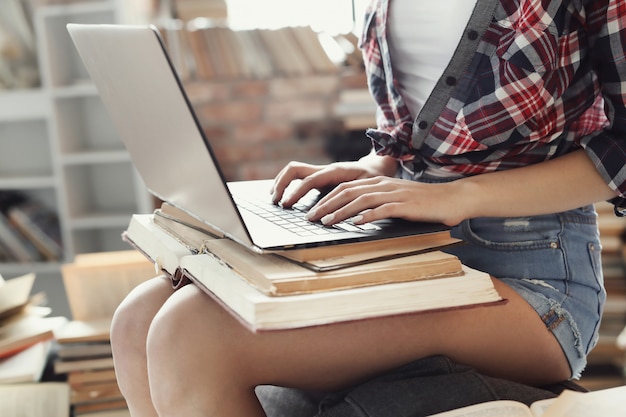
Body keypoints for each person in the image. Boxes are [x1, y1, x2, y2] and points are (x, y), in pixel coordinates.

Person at [110, 0, 626, 415]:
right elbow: (416, 133)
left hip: (530, 279)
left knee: (191, 335)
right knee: (137, 319)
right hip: (408, 246)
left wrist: (456, 196)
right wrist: (375, 167)